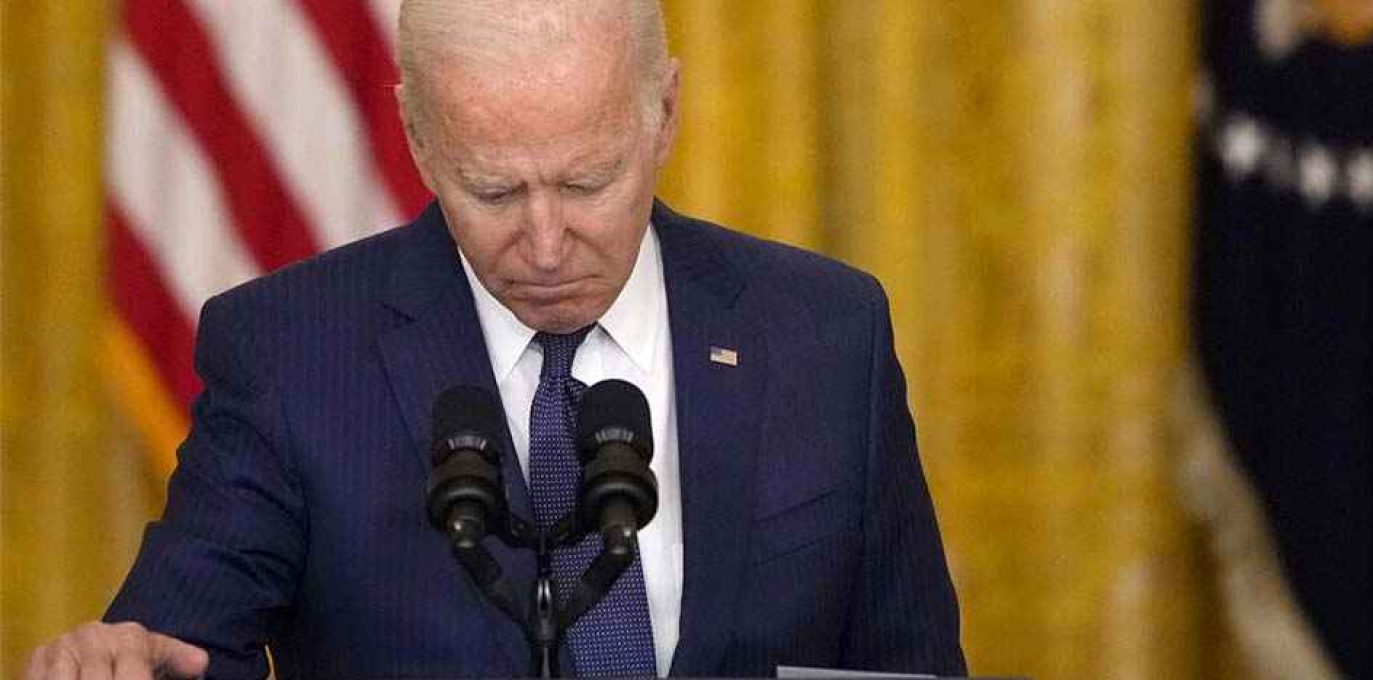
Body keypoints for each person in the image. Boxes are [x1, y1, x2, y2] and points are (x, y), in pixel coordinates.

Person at [26, 1, 964, 678]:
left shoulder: (824, 335)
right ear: (420, 140)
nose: (547, 243)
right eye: (496, 192)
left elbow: (909, 666)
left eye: (588, 182)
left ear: (665, 114)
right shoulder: (290, 354)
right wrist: (128, 662)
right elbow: (182, 646)